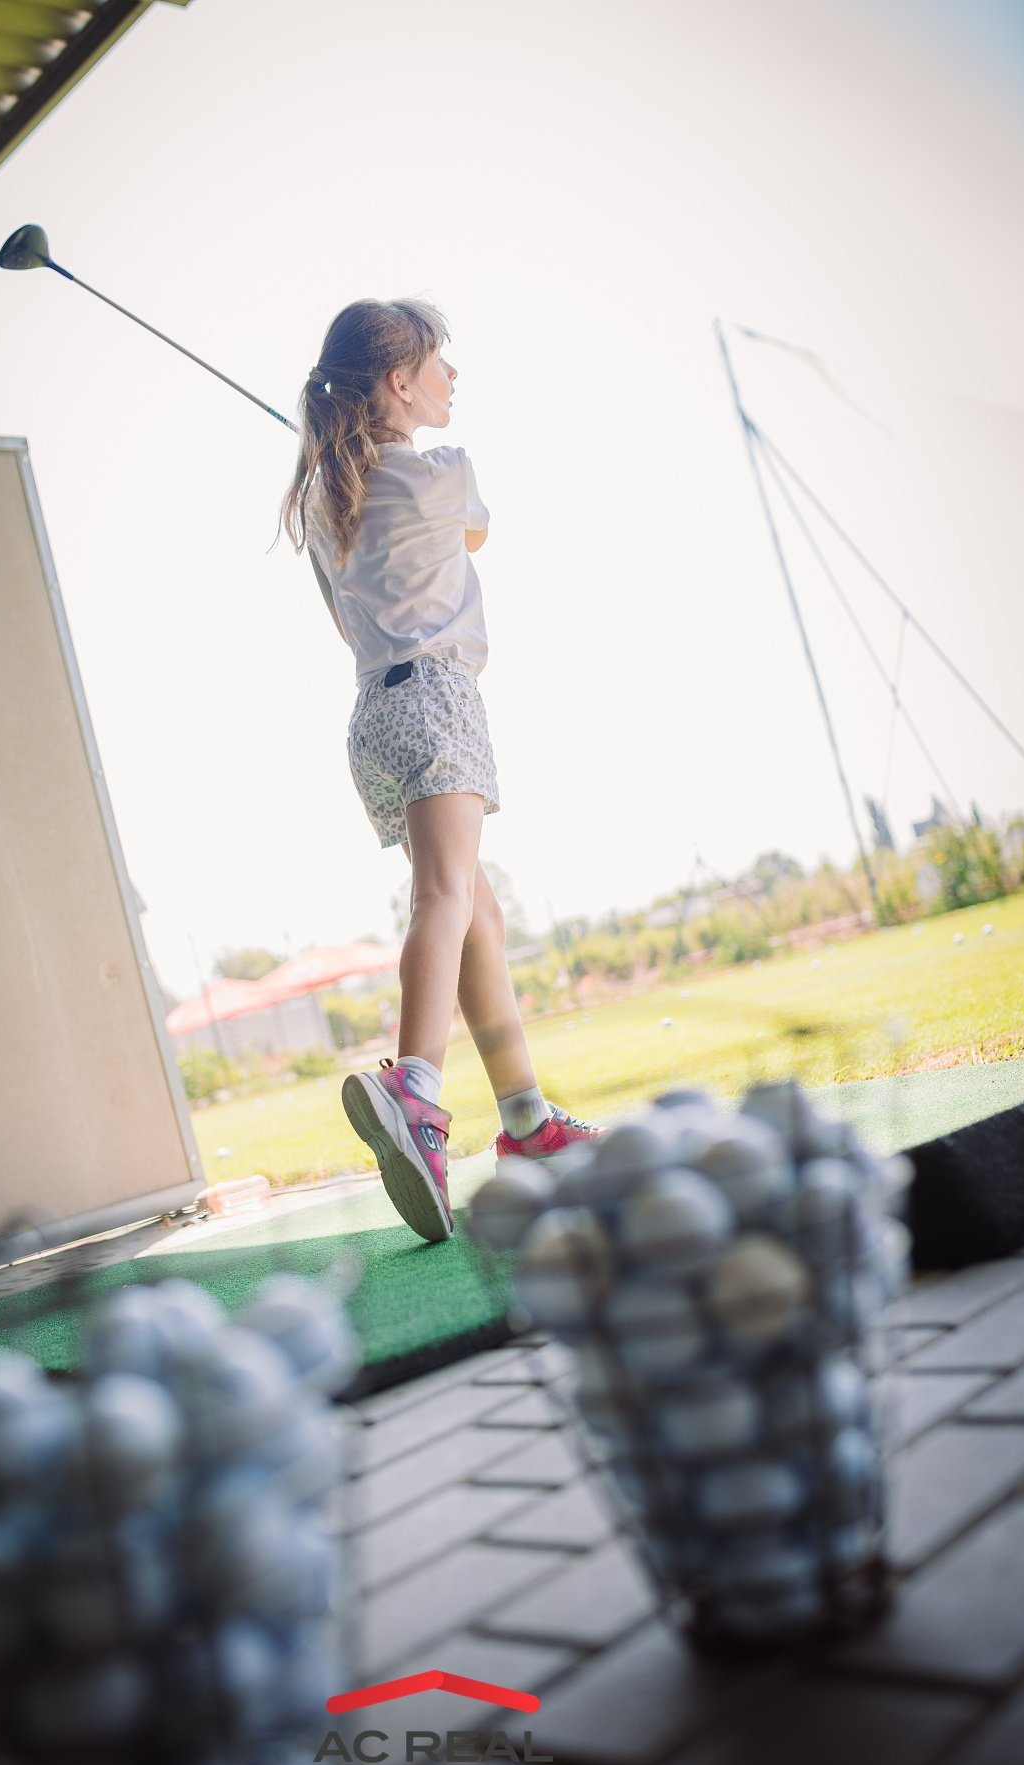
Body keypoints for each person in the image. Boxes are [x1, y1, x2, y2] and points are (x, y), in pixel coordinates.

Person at [277, 298, 601, 1245]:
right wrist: (383, 460)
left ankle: (527, 1122)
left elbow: (341, 615)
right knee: (447, 898)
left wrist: (351, 460)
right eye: (436, 362)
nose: (451, 377)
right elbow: (475, 537)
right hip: (436, 697)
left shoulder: (321, 498)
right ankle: (415, 1090)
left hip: (374, 713)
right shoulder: (441, 471)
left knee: (477, 917)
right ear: (398, 382)